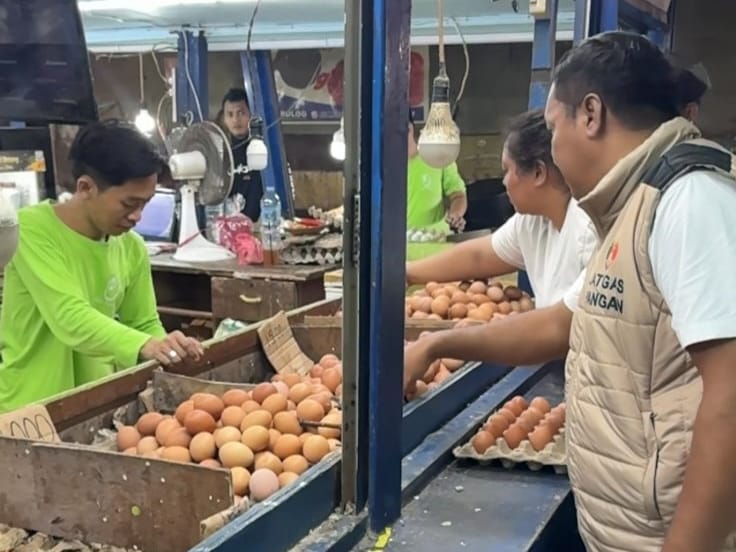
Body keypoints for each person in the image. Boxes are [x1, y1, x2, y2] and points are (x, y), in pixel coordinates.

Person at [404, 32, 736, 552]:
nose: (554, 150)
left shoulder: (688, 200)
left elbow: (731, 396)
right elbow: (565, 320)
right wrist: (435, 340)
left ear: (591, 115)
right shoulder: (629, 211)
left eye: (554, 127)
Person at [0, 120, 204, 413]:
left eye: (145, 204)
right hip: (31, 409)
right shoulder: (30, 231)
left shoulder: (131, 247)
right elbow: (69, 317)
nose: (137, 216)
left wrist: (168, 346)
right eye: (129, 204)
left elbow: (143, 323)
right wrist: (145, 344)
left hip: (95, 404)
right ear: (86, 187)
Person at [406, 109, 597, 308]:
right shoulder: (532, 222)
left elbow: (562, 321)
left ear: (538, 173)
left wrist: (478, 328)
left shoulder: (588, 230)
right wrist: (408, 273)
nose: (503, 182)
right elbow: (478, 257)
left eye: (506, 170)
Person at [407, 112, 467, 233]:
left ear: (410, 129)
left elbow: (458, 195)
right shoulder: (380, 168)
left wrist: (455, 215)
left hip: (436, 238)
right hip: (395, 242)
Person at [217, 87, 264, 222]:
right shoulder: (220, 155)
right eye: (230, 114)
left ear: (251, 114)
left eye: (241, 113)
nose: (235, 120)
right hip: (228, 226)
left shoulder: (263, 150)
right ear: (224, 118)